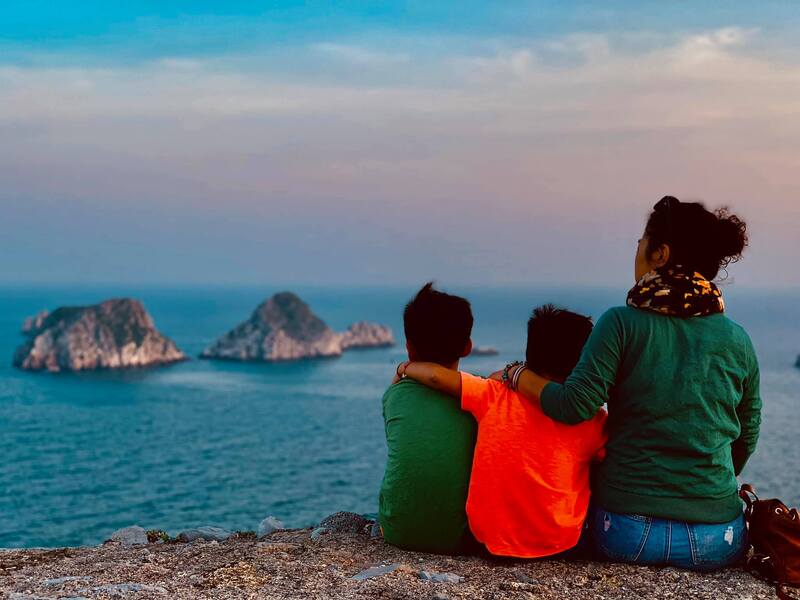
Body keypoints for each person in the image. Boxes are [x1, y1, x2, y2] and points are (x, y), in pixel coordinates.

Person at [502, 196, 760, 570]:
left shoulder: (621, 323)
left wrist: (516, 374)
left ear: (660, 254)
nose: (636, 248)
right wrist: (701, 488)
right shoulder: (738, 339)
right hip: (717, 538)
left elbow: (573, 405)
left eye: (642, 240)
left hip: (628, 532)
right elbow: (747, 435)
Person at [396, 304, 606, 558]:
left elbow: (436, 377)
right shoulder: (592, 420)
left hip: (490, 542)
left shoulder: (492, 394)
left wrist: (403, 368)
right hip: (560, 545)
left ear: (531, 356)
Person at [378, 282, 478, 554]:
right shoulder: (482, 398)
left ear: (409, 348)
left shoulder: (395, 397)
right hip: (462, 538)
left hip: (397, 531)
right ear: (467, 346)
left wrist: (403, 370)